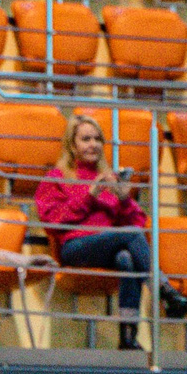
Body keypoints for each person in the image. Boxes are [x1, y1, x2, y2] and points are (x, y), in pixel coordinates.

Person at [35, 112, 157, 349]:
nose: (93, 145)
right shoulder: (57, 177)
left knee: (127, 258)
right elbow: (51, 221)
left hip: (109, 248)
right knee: (129, 235)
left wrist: (123, 199)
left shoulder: (109, 178)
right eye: (86, 139)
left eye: (97, 139)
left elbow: (138, 223)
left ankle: (128, 337)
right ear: (72, 144)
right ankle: (163, 289)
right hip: (75, 247)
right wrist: (90, 195)